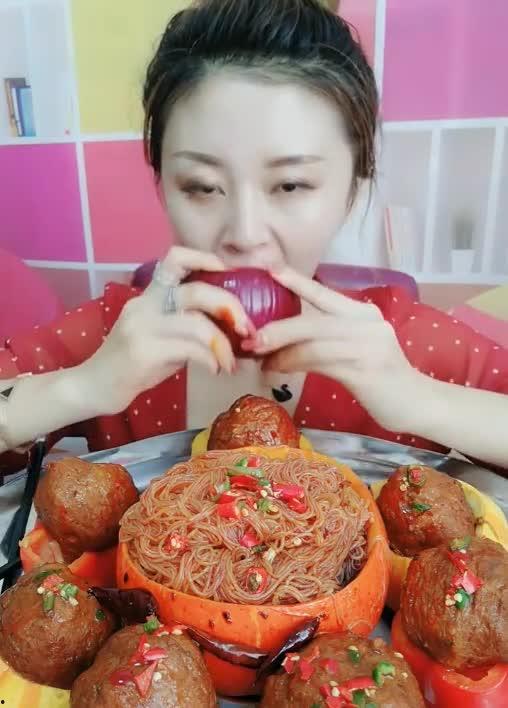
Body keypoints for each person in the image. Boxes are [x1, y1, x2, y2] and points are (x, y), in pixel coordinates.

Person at [1, 0, 507, 475]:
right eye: (202, 187)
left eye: (290, 185)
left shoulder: (405, 341)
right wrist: (81, 387)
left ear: (353, 186)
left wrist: (422, 401)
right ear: (162, 182)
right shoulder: (115, 335)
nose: (244, 235)